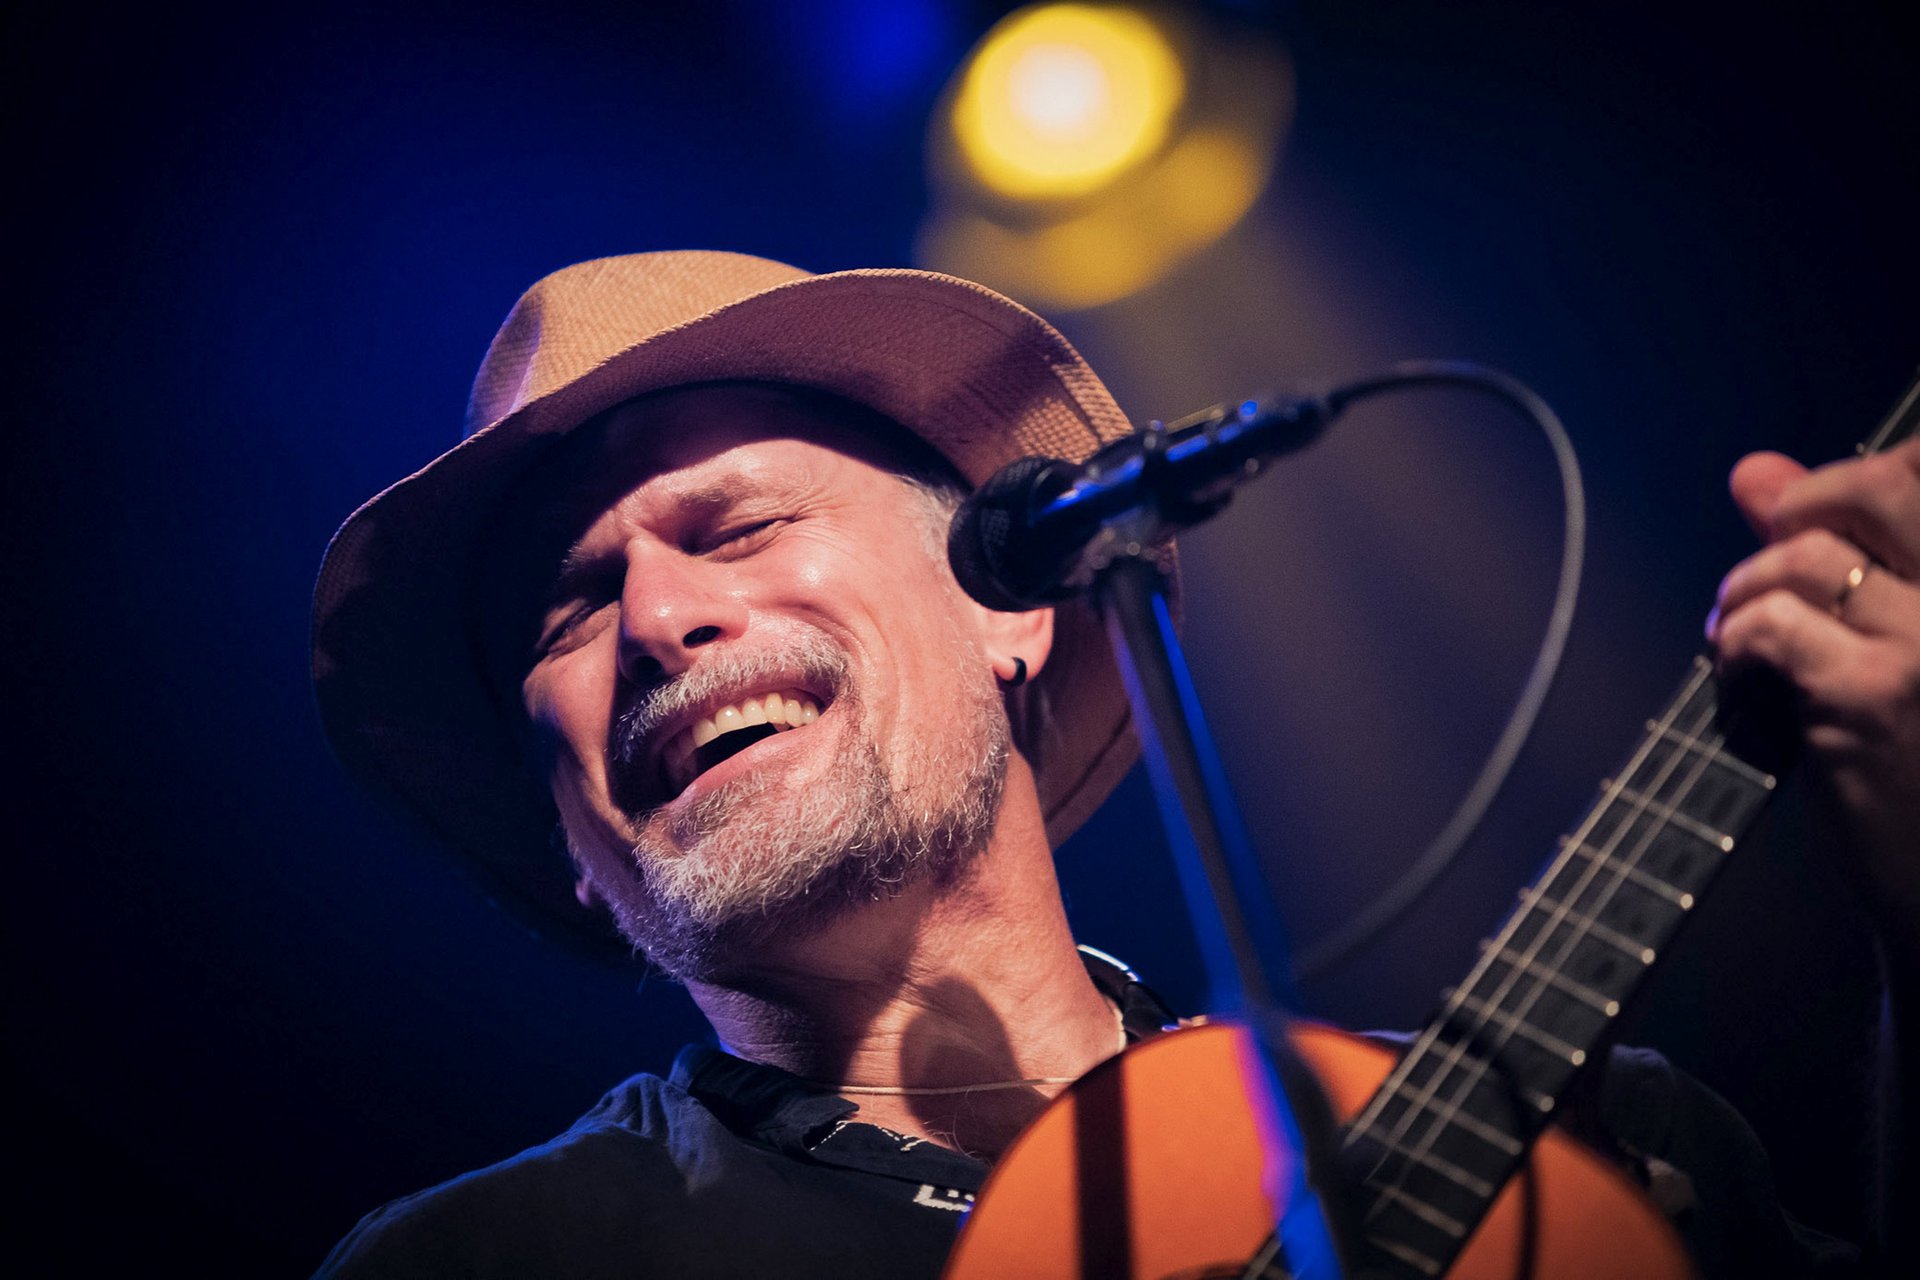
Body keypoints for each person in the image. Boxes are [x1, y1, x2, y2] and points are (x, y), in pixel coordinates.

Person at [310, 250, 1918, 1277]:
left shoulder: (1577, 1145)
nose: (660, 618)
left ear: (1011, 607)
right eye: (571, 609)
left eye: (736, 527)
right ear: (569, 833)